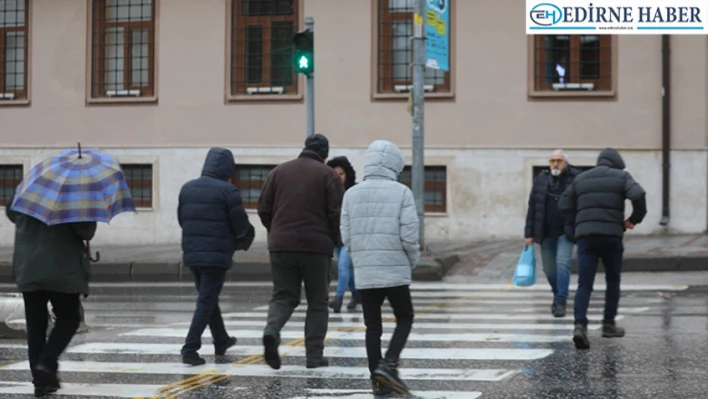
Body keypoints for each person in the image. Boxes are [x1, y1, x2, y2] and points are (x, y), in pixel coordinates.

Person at [258, 133, 345, 370]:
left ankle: (272, 331)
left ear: (305, 148)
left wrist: (276, 231)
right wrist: (335, 241)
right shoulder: (329, 175)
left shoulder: (278, 172)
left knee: (284, 296)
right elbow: (337, 214)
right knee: (317, 302)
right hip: (316, 248)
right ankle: (314, 357)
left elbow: (263, 208)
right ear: (324, 154)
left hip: (281, 246)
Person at [340, 140, 419, 397]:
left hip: (365, 272)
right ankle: (390, 364)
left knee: (372, 327)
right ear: (394, 165)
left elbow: (347, 237)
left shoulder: (351, 194)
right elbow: (409, 236)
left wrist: (360, 257)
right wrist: (411, 261)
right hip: (395, 269)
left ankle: (378, 382)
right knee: (404, 317)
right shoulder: (402, 192)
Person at [6, 198, 97, 397]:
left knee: (36, 324)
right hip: (61, 269)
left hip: (28, 267)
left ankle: (42, 382)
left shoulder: (27, 190)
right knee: (69, 318)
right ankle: (46, 364)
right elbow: (86, 231)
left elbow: (12, 214)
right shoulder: (74, 196)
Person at [559, 147, 647, 350]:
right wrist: (634, 220)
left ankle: (580, 326)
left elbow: (564, 203)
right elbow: (639, 194)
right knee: (613, 278)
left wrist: (576, 225)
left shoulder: (582, 178)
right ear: (616, 163)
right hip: (611, 237)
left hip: (586, 238)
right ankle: (608, 325)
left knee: (584, 283)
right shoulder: (622, 176)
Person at [178, 147, 254, 365]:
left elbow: (182, 219)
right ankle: (190, 348)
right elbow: (240, 227)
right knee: (206, 300)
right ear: (227, 168)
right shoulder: (228, 191)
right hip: (216, 255)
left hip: (192, 253)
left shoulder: (187, 188)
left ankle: (221, 339)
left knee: (207, 297)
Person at [524, 149, 583, 318]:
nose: (555, 164)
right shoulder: (541, 179)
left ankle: (561, 302)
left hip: (566, 231)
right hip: (546, 231)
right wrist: (529, 233)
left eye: (559, 160)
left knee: (562, 263)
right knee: (549, 269)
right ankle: (558, 295)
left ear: (566, 162)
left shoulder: (576, 178)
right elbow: (533, 207)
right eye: (552, 161)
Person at [326, 156, 359, 313]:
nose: (338, 177)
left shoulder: (353, 191)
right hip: (336, 236)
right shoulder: (328, 191)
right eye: (335, 174)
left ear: (347, 175)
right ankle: (356, 294)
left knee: (343, 266)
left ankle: (338, 298)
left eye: (341, 174)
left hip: (351, 235)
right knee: (347, 268)